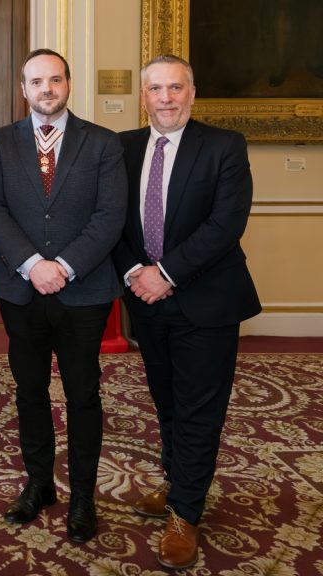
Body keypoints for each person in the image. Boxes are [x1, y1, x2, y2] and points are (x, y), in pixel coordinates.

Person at [113, 54, 260, 570]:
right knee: (168, 402)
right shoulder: (124, 148)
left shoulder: (223, 146)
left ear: (192, 94)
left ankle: (185, 512)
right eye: (157, 89)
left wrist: (165, 273)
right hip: (147, 303)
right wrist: (136, 272)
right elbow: (113, 222)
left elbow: (225, 225)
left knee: (200, 409)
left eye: (176, 88)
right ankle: (180, 483)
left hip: (207, 301)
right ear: (144, 97)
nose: (167, 98)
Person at [0, 48, 126, 544]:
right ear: (24, 89)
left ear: (69, 84)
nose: (47, 89)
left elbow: (110, 215)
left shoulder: (103, 144)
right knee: (29, 391)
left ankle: (83, 494)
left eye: (55, 80)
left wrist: (61, 266)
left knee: (84, 393)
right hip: (21, 291)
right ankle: (38, 482)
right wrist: (31, 265)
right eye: (36, 81)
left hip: (84, 292)